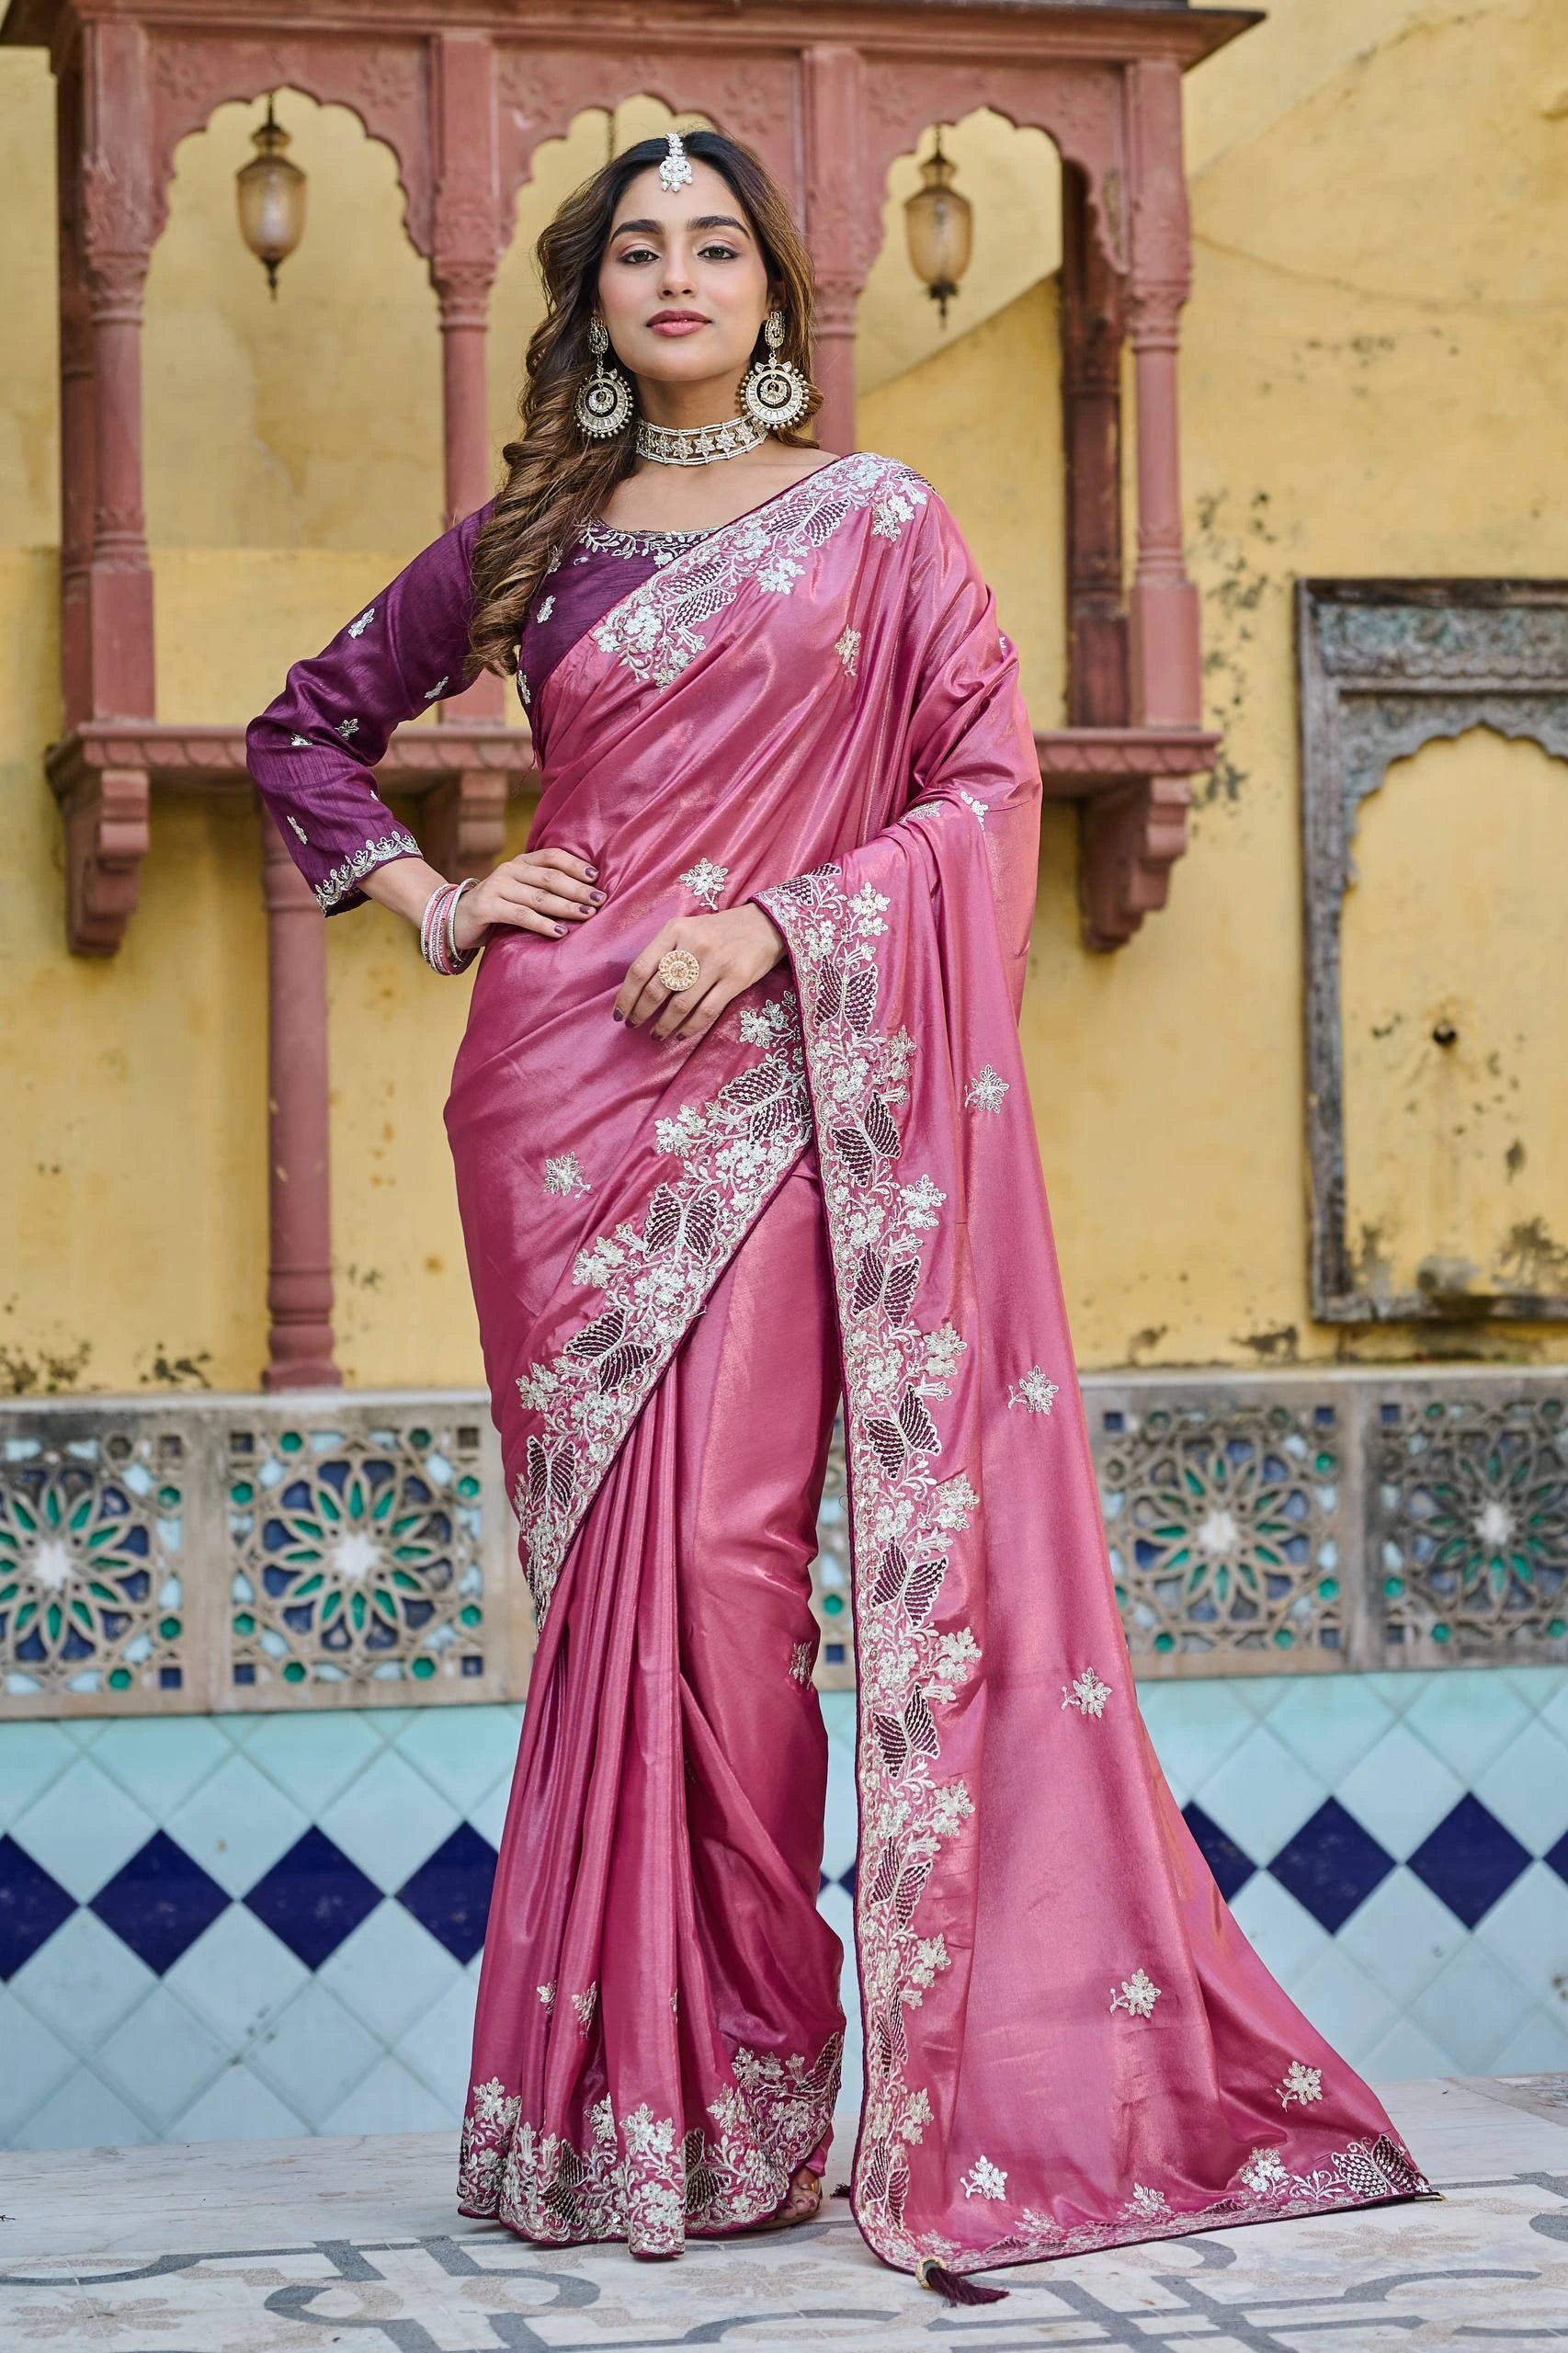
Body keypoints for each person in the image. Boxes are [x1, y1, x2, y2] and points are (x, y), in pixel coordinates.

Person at [245, 125, 1433, 2302]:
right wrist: (434, 899)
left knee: (724, 1566)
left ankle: (760, 2081)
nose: (676, 278)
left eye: (714, 247)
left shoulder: (877, 526)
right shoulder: (537, 539)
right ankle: (619, 2111)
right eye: (636, 253)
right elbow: (305, 731)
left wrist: (791, 926)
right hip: (558, 1098)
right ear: (592, 304)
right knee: (615, 1585)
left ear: (776, 294)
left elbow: (980, 790)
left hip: (788, 1087)